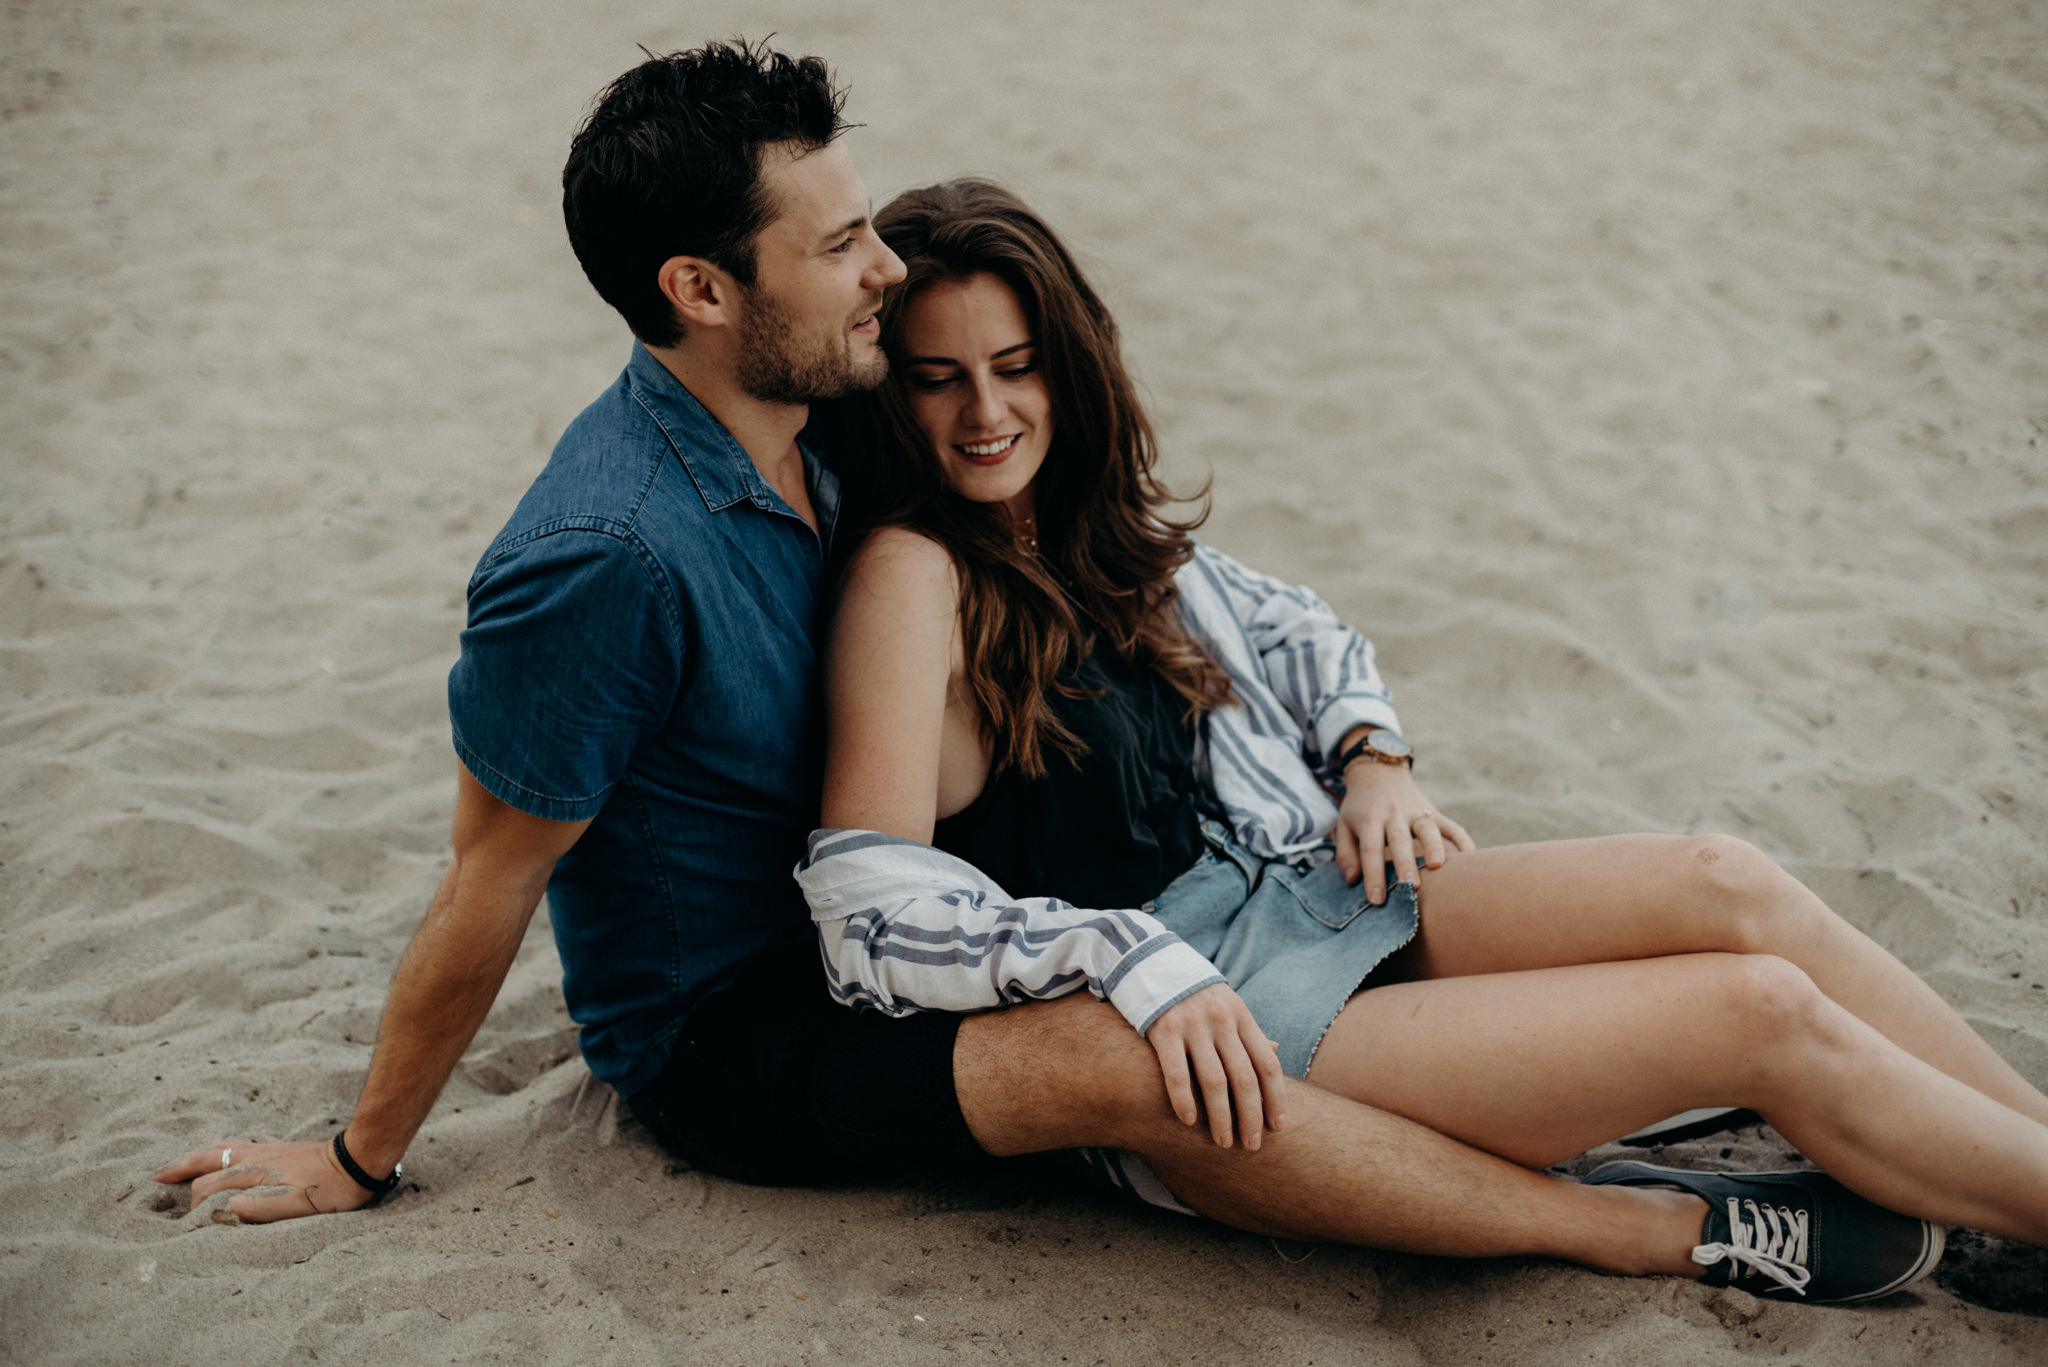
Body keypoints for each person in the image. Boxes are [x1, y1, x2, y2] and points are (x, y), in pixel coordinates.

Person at [141, 40, 2020, 1306]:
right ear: (700, 291)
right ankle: (1658, 1228)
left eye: (889, 241)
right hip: (765, 1015)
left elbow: (1235, 602)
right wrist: (360, 1149)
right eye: (843, 242)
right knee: (1143, 1063)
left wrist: (1366, 746)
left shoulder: (842, 433)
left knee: (1720, 888)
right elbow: (501, 870)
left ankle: (2008, 1183)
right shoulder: (611, 554)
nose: (881, 277)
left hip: (1210, 899)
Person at [797, 177, 2048, 1301]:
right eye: (935, 375)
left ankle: (2022, 1154)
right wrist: (1118, 955)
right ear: (885, 387)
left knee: (1724, 878)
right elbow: (869, 895)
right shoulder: (912, 574)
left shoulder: (1066, 521)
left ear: (1068, 362)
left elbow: (1293, 627)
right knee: (1756, 1010)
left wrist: (1371, 759)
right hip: (1219, 1009)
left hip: (1302, 892)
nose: (985, 411)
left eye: (1015, 365)